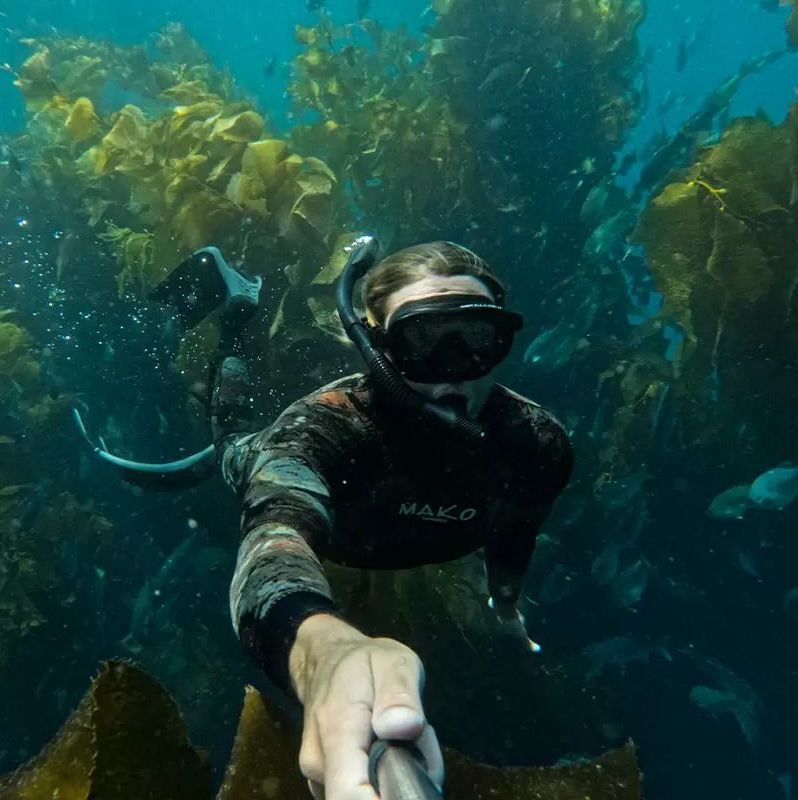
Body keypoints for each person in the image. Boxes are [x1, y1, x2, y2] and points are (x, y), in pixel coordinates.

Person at [147, 240, 573, 798]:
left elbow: (517, 532)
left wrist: (506, 605)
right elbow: (275, 539)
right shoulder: (318, 431)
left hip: (375, 536)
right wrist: (322, 652)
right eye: (422, 340)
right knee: (230, 435)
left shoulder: (537, 446)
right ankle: (239, 315)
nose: (453, 373)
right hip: (272, 461)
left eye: (475, 340)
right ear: (377, 344)